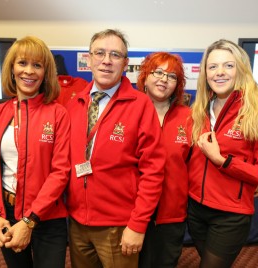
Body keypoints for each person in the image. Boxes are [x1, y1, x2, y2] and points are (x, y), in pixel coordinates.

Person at [65, 29, 165, 268]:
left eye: (115, 55)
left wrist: (138, 224)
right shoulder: (73, 103)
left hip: (119, 226)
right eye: (100, 53)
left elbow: (153, 171)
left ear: (125, 63)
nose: (107, 60)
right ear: (88, 59)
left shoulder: (140, 105)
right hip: (77, 223)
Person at [187, 39, 258, 267]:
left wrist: (222, 161)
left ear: (241, 68)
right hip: (195, 209)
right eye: (213, 67)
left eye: (228, 66)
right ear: (205, 73)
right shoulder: (199, 108)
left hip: (230, 216)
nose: (220, 72)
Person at [0, 36, 70, 268]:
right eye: (22, 63)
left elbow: (60, 172)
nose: (29, 71)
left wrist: (29, 220)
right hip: (6, 212)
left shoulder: (58, 114)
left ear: (45, 72)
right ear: (11, 68)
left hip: (47, 216)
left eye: (37, 65)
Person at [136, 52, 191, 268]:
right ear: (145, 77)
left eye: (172, 76)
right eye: (158, 72)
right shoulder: (129, 111)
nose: (164, 79)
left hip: (172, 213)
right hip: (132, 212)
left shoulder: (189, 117)